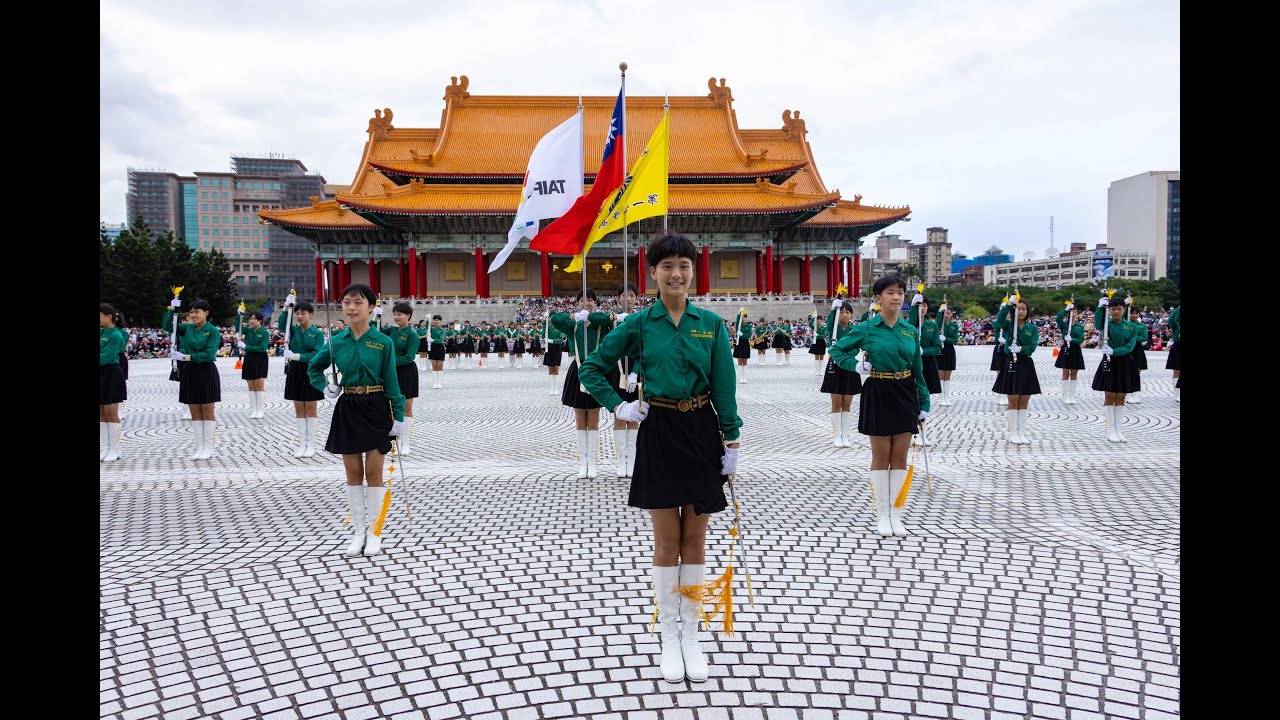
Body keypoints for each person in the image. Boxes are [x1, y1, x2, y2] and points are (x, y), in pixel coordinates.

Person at [579, 232, 741, 685]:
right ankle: (668, 634)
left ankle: (692, 633)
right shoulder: (639, 324)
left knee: (697, 538)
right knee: (667, 540)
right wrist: (619, 405)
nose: (676, 274)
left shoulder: (711, 324)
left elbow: (724, 386)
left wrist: (732, 442)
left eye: (684, 266)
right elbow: (592, 367)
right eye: (667, 266)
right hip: (659, 431)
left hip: (701, 429)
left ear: (694, 272)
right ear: (652, 273)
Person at [307, 283, 405, 557]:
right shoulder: (337, 342)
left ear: (371, 307)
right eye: (347, 302)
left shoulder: (383, 342)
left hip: (376, 407)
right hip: (348, 407)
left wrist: (398, 418)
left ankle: (375, 533)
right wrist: (324, 387)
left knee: (374, 471)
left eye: (358, 302)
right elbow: (314, 367)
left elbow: (392, 383)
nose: (351, 307)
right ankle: (358, 532)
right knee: (353, 473)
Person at [830, 276, 929, 538]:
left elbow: (918, 370)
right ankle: (882, 513)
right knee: (881, 455)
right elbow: (838, 350)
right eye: (890, 293)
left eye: (900, 293)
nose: (896, 298)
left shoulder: (910, 331)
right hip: (879, 390)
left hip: (906, 391)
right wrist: (855, 365)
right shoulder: (868, 328)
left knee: (900, 457)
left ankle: (896, 513)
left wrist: (925, 402)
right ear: (878, 298)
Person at [551, 290, 612, 478]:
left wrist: (591, 317)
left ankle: (592, 462)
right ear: (577, 303)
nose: (587, 303)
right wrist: (574, 316)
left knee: (593, 418)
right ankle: (583, 461)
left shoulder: (599, 322)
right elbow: (555, 319)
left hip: (595, 372)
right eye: (582, 300)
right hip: (577, 370)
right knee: (580, 418)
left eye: (591, 300)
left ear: (595, 303)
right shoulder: (573, 323)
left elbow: (609, 319)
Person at [162, 298, 223, 460]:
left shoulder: (213, 331)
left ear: (206, 313)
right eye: (191, 312)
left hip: (205, 371)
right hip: (190, 371)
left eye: (197, 312)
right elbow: (169, 327)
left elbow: (209, 354)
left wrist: (187, 357)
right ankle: (200, 446)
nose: (194, 315)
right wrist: (172, 310)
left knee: (207, 409)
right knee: (194, 410)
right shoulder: (188, 328)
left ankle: (208, 446)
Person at [279, 296, 327, 457]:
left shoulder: (317, 334)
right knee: (299, 407)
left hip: (311, 371)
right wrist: (286, 307)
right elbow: (281, 324)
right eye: (297, 313)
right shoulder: (292, 331)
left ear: (311, 315)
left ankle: (311, 444)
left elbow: (316, 354)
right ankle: (302, 443)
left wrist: (296, 356)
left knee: (310, 407)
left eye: (303, 313)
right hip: (295, 371)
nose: (300, 316)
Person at [992, 295, 1041, 444]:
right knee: (1013, 399)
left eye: (1024, 309)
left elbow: (1032, 346)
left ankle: (1021, 432)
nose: (1021, 311)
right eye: (1018, 309)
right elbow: (999, 321)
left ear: (1028, 311)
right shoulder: (1008, 325)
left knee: (1024, 400)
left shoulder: (1032, 328)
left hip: (1025, 363)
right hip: (1011, 363)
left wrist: (1021, 349)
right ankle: (1013, 432)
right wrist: (1008, 305)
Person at [605, 283, 641, 478]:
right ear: (618, 298)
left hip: (635, 374)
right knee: (619, 415)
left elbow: (645, 349)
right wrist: (615, 318)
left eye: (632, 295)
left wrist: (636, 372)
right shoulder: (613, 320)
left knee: (634, 416)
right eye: (624, 295)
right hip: (616, 372)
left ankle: (633, 460)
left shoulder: (641, 320)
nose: (628, 299)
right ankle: (621, 460)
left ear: (637, 298)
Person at [1092, 295, 1140, 441]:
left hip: (1125, 362)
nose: (1116, 312)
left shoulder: (1131, 326)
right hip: (1110, 361)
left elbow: (1130, 346)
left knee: (1121, 396)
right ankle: (1110, 429)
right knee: (1110, 395)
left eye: (1119, 309)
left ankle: (1119, 429)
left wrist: (1115, 351)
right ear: (1110, 311)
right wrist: (1100, 308)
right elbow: (1098, 322)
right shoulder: (1106, 324)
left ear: (1124, 309)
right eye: (1113, 309)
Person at [822, 299, 863, 447]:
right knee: (836, 403)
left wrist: (845, 354)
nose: (845, 315)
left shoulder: (854, 330)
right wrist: (834, 310)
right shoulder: (834, 328)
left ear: (851, 315)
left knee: (847, 404)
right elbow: (831, 321)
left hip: (850, 366)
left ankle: (845, 435)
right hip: (835, 366)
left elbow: (856, 347)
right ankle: (837, 436)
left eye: (848, 312)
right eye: (842, 312)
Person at [382, 302, 421, 455]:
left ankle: (405, 442)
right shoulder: (391, 330)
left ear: (408, 316)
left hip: (406, 372)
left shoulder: (412, 335)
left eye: (400, 314)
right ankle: (392, 440)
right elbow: (373, 329)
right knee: (389, 406)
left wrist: (390, 361)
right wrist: (375, 315)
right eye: (395, 314)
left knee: (406, 407)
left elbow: (409, 357)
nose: (396, 317)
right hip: (390, 373)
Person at [908, 295, 942, 435]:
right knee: (912, 396)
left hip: (927, 363)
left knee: (924, 396)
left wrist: (924, 351)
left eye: (925, 306)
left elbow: (937, 347)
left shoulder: (932, 325)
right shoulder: (909, 324)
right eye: (920, 305)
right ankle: (911, 429)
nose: (922, 308)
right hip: (912, 363)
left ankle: (923, 431)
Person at [100, 304, 127, 462]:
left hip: (111, 373)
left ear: (109, 316)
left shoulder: (116, 335)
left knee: (111, 413)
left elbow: (108, 356)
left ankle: (115, 449)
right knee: (101, 413)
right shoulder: (101, 332)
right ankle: (105, 447)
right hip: (101, 373)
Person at [237, 311, 271, 419]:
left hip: (260, 358)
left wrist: (246, 346)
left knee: (259, 384)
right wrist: (239, 315)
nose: (251, 321)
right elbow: (238, 327)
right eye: (250, 319)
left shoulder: (264, 333)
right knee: (250, 385)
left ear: (260, 320)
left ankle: (260, 410)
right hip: (249, 358)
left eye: (254, 319)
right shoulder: (248, 330)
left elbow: (262, 348)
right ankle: (254, 409)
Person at [1054, 301, 1086, 404]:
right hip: (1066, 349)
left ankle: (1072, 395)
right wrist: (1065, 310)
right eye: (1072, 312)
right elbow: (1057, 318)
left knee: (1074, 372)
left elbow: (1081, 338)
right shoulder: (1064, 324)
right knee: (1065, 371)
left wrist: (1072, 340)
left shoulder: (1079, 326)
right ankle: (1066, 395)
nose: (1074, 313)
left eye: (1075, 312)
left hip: (1075, 349)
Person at [936, 303, 959, 405]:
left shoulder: (954, 326)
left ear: (951, 315)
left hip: (949, 350)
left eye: (948, 313)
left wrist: (946, 339)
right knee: (941, 373)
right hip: (941, 350)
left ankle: (947, 397)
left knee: (948, 374)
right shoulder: (938, 324)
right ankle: (941, 397)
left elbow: (955, 339)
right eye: (945, 313)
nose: (946, 315)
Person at [1127, 306, 1148, 404]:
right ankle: (1128, 393)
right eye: (1132, 313)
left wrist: (1133, 338)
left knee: (1137, 372)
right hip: (1128, 350)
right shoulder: (1126, 324)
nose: (1134, 315)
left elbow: (1144, 337)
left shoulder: (1142, 326)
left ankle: (1135, 393)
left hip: (1138, 350)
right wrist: (1136, 338)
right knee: (1128, 372)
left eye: (1136, 313)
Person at [542, 315, 566, 395]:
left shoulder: (560, 328)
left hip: (557, 348)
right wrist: (545, 319)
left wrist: (551, 340)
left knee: (556, 368)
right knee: (550, 370)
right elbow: (544, 331)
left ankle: (556, 389)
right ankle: (551, 389)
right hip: (549, 348)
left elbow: (561, 339)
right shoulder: (548, 327)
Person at [1165, 305, 1180, 402]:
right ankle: (1177, 392)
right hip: (1179, 343)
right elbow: (1171, 320)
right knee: (1177, 370)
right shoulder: (1179, 309)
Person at [732, 311, 752, 383]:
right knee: (739, 360)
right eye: (742, 317)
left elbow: (749, 335)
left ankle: (745, 377)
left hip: (745, 343)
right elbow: (737, 320)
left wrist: (742, 334)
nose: (743, 319)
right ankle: (740, 377)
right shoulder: (738, 325)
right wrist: (740, 313)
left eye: (744, 317)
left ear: (746, 318)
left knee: (745, 361)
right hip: (739, 343)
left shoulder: (749, 326)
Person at [427, 315, 446, 388]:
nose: (436, 321)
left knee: (440, 366)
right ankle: (435, 383)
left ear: (440, 322)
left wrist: (432, 340)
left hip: (440, 347)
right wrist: (427, 320)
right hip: (433, 348)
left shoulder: (442, 330)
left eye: (438, 320)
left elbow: (441, 340)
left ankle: (439, 382)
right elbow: (426, 328)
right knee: (434, 366)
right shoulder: (431, 329)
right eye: (434, 320)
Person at [807, 311, 827, 376]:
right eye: (817, 320)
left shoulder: (824, 328)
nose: (818, 321)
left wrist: (817, 335)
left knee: (821, 357)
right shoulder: (814, 327)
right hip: (816, 342)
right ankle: (816, 370)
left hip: (821, 342)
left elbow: (823, 335)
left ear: (822, 321)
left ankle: (821, 370)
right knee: (816, 356)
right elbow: (810, 324)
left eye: (819, 320)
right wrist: (813, 318)